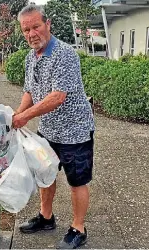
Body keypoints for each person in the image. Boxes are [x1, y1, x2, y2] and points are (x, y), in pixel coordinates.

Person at [12, 4, 95, 249]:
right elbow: (30, 90)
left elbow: (58, 96)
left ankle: (79, 228)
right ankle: (46, 217)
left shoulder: (65, 54)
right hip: (48, 131)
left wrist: (25, 116)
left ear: (48, 24)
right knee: (45, 174)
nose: (31, 34)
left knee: (77, 181)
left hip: (75, 131)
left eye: (35, 26)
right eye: (26, 29)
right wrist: (18, 114)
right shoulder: (30, 57)